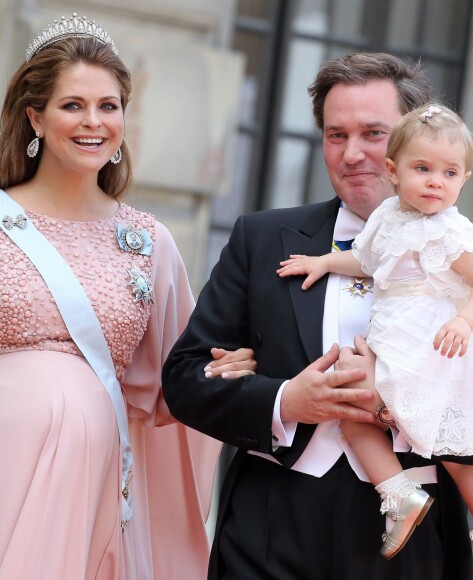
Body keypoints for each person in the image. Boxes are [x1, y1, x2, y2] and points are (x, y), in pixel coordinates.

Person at [162, 53, 473, 580]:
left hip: (415, 552)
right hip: (269, 529)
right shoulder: (263, 239)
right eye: (336, 135)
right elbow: (184, 380)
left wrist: (391, 405)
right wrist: (284, 399)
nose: (352, 153)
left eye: (372, 133)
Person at [0, 13, 258, 580]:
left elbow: (170, 387)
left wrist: (221, 376)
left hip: (95, 485)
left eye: (108, 105)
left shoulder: (147, 243)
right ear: (34, 117)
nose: (93, 122)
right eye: (72, 105)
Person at [277, 102, 473, 568]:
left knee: (450, 448)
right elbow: (366, 260)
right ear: (393, 170)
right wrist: (324, 262)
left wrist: (464, 321)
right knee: (371, 422)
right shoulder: (389, 217)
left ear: (464, 180)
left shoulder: (449, 233)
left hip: (432, 346)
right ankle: (423, 504)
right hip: (397, 335)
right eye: (422, 169)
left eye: (449, 173)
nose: (434, 182)